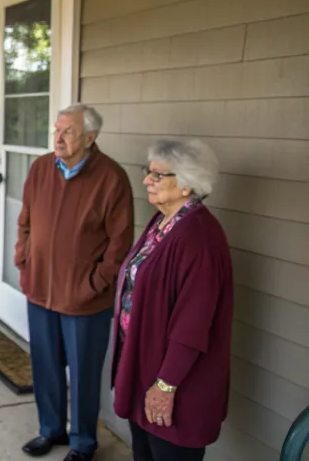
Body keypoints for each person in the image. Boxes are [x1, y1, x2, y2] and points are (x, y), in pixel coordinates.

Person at [16, 104, 134, 461]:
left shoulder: (111, 178)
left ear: (89, 138)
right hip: (39, 290)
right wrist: (23, 259)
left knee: (83, 375)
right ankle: (50, 430)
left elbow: (120, 242)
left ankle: (83, 443)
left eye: (68, 131)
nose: (58, 137)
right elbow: (25, 221)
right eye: (57, 129)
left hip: (85, 299)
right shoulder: (40, 168)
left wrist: (95, 283)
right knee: (45, 366)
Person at [111, 139, 233, 461]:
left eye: (158, 175)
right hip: (145, 373)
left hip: (175, 388)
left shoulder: (199, 237)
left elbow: (192, 324)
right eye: (148, 172)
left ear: (186, 185)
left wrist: (165, 386)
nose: (146, 181)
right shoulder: (162, 222)